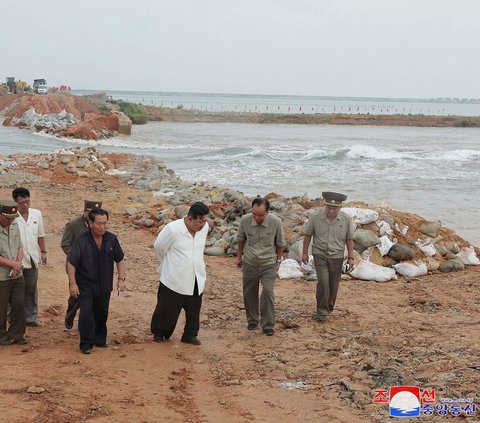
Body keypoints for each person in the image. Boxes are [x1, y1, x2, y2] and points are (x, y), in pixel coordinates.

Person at [67, 208, 125, 354]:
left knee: (102, 312)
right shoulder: (81, 241)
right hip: (85, 285)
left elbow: (120, 259)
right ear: (90, 223)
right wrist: (73, 284)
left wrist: (121, 279)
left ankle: (100, 339)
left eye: (105, 223)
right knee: (86, 313)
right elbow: (71, 263)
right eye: (99, 224)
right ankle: (86, 343)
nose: (102, 227)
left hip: (104, 285)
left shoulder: (112, 239)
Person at [150, 202, 210, 345]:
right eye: (199, 222)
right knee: (167, 307)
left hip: (196, 275)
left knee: (194, 309)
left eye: (204, 221)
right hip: (174, 276)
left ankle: (190, 335)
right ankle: (159, 332)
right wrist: (169, 264)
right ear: (189, 218)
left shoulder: (204, 228)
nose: (202, 225)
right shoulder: (172, 229)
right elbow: (159, 247)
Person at [302, 192, 355, 322]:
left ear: (340, 208)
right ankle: (321, 311)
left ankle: (329, 307)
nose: (331, 211)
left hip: (337, 256)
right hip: (320, 254)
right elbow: (308, 235)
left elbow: (349, 239)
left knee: (333, 284)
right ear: (325, 205)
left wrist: (351, 257)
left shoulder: (346, 220)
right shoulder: (315, 217)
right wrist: (304, 253)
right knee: (323, 282)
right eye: (329, 207)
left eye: (334, 208)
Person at [236, 197, 286, 336]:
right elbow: (241, 239)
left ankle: (268, 324)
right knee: (249, 292)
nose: (257, 218)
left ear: (267, 212)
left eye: (261, 215)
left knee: (268, 292)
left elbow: (280, 244)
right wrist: (239, 257)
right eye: (254, 214)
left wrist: (278, 261)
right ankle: (252, 320)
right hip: (250, 262)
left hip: (268, 263)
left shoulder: (276, 222)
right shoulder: (245, 220)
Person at [61, 200, 102, 329]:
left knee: (91, 295)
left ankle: (85, 323)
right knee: (76, 295)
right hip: (76, 268)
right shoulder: (73, 225)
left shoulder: (100, 225)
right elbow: (65, 244)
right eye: (90, 213)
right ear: (85, 211)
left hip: (94, 268)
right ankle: (70, 315)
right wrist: (77, 257)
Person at [12, 187, 47, 327]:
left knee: (31, 289)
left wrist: (43, 252)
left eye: (27, 201)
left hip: (32, 258)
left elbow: (40, 235)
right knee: (15, 290)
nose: (25, 205)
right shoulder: (12, 217)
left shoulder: (36, 214)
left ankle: (31, 317)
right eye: (22, 203)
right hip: (16, 261)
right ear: (16, 203)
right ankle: (12, 317)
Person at [0, 200, 27, 346]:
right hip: (1, 277)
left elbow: (20, 246)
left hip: (16, 274)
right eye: (7, 218)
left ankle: (17, 334)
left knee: (19, 304)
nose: (10, 221)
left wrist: (18, 263)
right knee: (1, 307)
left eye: (12, 218)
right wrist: (13, 264)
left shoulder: (15, 225)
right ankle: (1, 335)